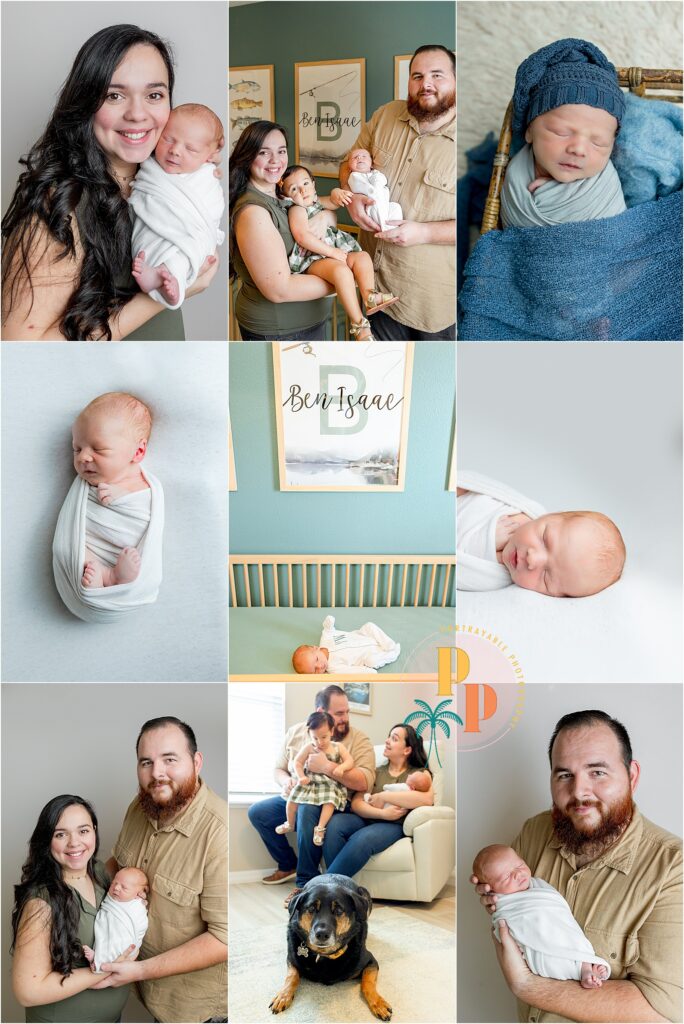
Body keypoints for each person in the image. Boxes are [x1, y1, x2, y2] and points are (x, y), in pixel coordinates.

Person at [1, 25, 219, 341]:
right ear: (86, 102)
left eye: (154, 94)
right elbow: (20, 348)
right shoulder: (62, 205)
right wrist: (156, 297)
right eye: (114, 95)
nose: (137, 114)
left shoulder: (165, 178)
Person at [470, 710, 682, 1022]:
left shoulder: (673, 868)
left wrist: (527, 986)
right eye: (564, 775)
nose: (579, 792)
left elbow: (662, 1013)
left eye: (597, 772)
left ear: (632, 776)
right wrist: (498, 901)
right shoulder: (534, 833)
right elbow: (510, 910)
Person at [103, 716, 227, 1023]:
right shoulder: (138, 807)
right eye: (146, 762)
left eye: (169, 759)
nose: (156, 773)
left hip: (196, 1012)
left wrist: (140, 970)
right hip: (147, 994)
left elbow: (225, 939)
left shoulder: (218, 833)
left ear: (196, 762)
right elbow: (115, 866)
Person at [339, 44, 456, 340]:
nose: (425, 84)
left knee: (427, 382)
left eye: (437, 75)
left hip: (428, 305)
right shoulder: (385, 115)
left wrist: (425, 233)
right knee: (377, 381)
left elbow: (483, 221)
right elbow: (347, 164)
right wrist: (351, 200)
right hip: (373, 291)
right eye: (417, 76)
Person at [11, 794, 138, 1022]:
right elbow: (28, 991)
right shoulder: (40, 904)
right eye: (61, 834)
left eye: (83, 831)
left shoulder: (100, 872)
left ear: (94, 831)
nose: (75, 843)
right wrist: (105, 968)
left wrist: (136, 902)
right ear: (47, 840)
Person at [247, 685, 375, 908]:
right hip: (303, 791)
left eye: (347, 712)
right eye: (339, 713)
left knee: (307, 810)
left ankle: (304, 884)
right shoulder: (297, 733)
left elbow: (366, 781)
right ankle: (288, 864)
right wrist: (287, 782)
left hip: (333, 800)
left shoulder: (358, 739)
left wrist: (327, 766)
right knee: (259, 813)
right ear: (321, 712)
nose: (345, 718)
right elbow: (279, 769)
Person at [501, 39, 627, 229]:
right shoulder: (514, 174)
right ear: (529, 131)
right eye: (561, 132)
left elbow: (620, 239)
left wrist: (563, 192)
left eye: (598, 143)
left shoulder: (604, 186)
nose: (578, 149)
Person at [229, 120, 336, 340]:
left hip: (310, 322)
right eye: (264, 152)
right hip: (281, 331)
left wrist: (325, 217)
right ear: (248, 156)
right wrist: (344, 280)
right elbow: (279, 289)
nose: (275, 160)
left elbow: (320, 210)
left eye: (281, 151)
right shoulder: (253, 213)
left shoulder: (283, 192)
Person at [277, 164, 398, 340]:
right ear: (286, 195)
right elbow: (302, 237)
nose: (302, 191)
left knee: (363, 257)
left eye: (305, 184)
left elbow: (333, 202)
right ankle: (359, 324)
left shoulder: (316, 201)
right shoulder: (297, 209)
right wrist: (333, 253)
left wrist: (336, 193)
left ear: (313, 183)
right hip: (313, 258)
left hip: (333, 252)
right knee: (341, 272)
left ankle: (369, 295)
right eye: (294, 189)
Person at [457, 474, 625, 596]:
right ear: (550, 515)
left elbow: (455, 569)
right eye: (545, 540)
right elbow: (478, 485)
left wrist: (486, 541)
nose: (532, 559)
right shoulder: (524, 507)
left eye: (546, 577)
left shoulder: (493, 578)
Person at [472, 845, 610, 989]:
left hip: (559, 930)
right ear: (491, 889)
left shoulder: (538, 885)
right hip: (540, 947)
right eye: (506, 877)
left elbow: (560, 912)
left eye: (519, 865)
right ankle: (584, 973)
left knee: (572, 938)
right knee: (551, 958)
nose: (518, 874)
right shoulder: (503, 904)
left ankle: (586, 965)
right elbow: (501, 928)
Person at [130, 103, 225, 308]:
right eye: (168, 139)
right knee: (149, 240)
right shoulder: (149, 165)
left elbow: (211, 209)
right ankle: (160, 277)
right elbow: (144, 193)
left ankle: (168, 282)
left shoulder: (206, 176)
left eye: (190, 149)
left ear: (209, 156)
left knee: (184, 252)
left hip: (192, 229)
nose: (175, 151)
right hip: (158, 228)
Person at [322, 723, 433, 879]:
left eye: (394, 739)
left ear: (407, 750)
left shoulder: (419, 774)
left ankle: (324, 885)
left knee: (363, 839)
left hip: (394, 825)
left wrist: (383, 797)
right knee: (334, 823)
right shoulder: (376, 772)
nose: (387, 741)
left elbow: (427, 799)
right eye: (389, 737)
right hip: (370, 818)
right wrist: (382, 813)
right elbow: (356, 803)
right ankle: (339, 888)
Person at [69, 392, 154, 590]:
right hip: (92, 546)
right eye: (77, 449)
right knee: (69, 547)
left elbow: (144, 513)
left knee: (129, 556)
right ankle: (107, 575)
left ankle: (117, 575)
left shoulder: (140, 484)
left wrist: (123, 497)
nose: (83, 457)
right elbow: (73, 524)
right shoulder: (84, 486)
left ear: (138, 451)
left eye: (98, 449)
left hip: (120, 546)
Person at [275, 711, 355, 846]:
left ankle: (320, 828)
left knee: (329, 802)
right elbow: (297, 762)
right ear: (310, 735)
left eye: (323, 737)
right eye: (315, 738)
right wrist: (301, 776)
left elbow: (350, 761)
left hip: (329, 784)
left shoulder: (337, 747)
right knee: (293, 798)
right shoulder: (309, 747)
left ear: (331, 731)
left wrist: (342, 768)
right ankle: (289, 823)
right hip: (310, 781)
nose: (320, 742)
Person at [83, 867, 149, 973]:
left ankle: (100, 962)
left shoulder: (137, 904)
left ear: (139, 893)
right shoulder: (112, 895)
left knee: (117, 941)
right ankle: (98, 956)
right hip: (110, 919)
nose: (116, 888)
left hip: (125, 928)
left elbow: (140, 923)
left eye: (124, 887)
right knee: (104, 935)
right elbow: (106, 904)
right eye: (114, 883)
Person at [292, 614, 401, 674]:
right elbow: (352, 671)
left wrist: (328, 623)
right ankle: (392, 654)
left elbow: (328, 630)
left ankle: (389, 645)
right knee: (371, 661)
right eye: (315, 670)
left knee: (369, 626)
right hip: (370, 654)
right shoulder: (334, 669)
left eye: (316, 660)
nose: (320, 666)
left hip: (364, 636)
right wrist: (368, 672)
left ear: (316, 648)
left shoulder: (325, 640)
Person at [347, 148, 404, 231]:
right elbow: (365, 188)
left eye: (364, 156)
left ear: (372, 165)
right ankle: (384, 229)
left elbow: (383, 180)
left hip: (385, 205)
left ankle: (394, 229)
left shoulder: (376, 173)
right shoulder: (354, 176)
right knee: (376, 209)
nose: (359, 158)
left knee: (395, 207)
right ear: (349, 168)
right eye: (354, 157)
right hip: (370, 205)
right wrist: (375, 187)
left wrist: (376, 180)